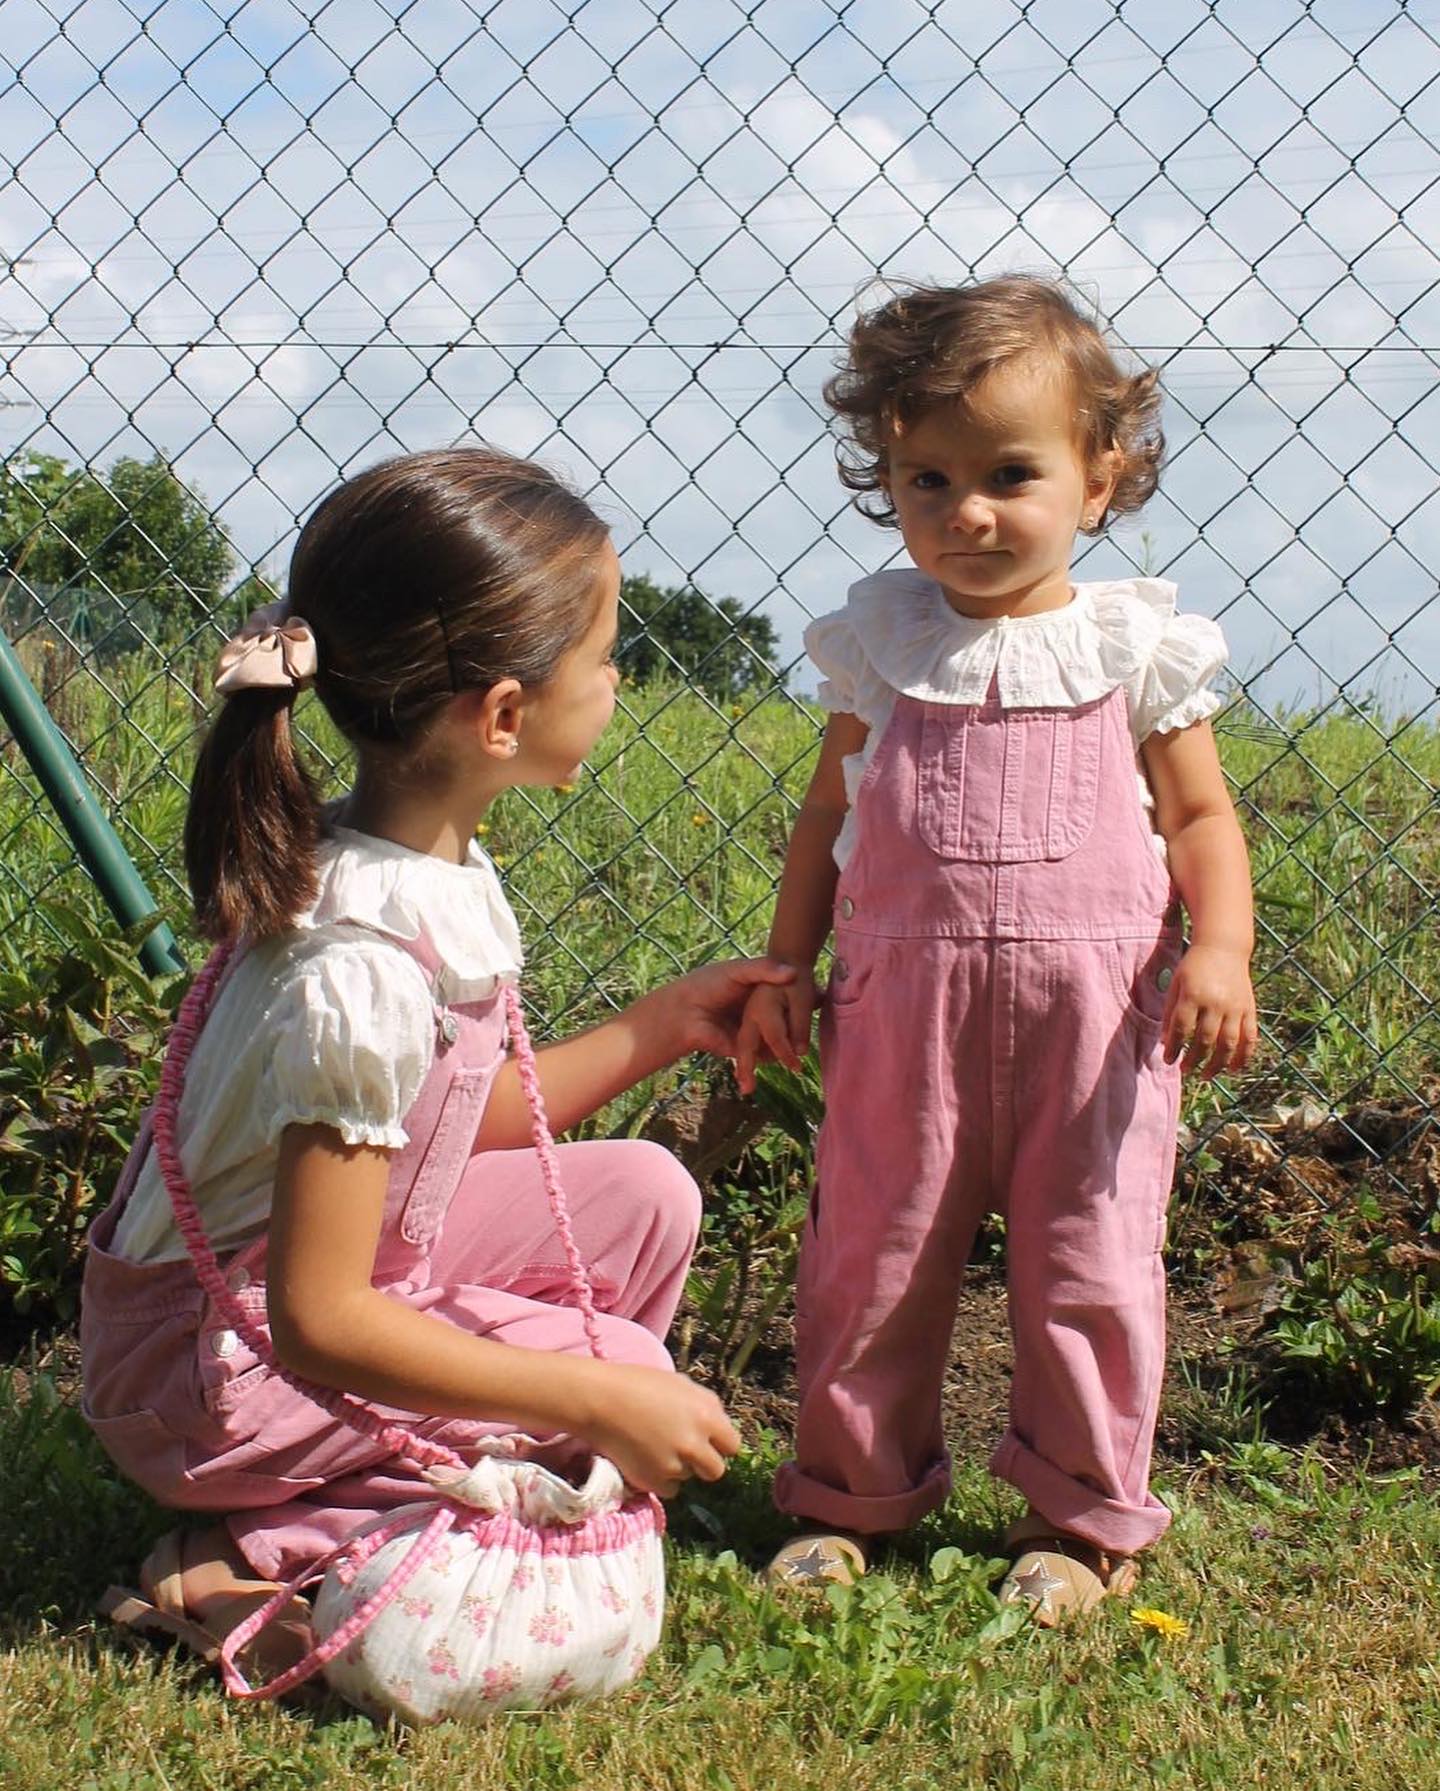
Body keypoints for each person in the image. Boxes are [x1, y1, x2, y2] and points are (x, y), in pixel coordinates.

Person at [81, 445, 792, 1669]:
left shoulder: (413, 865)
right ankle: (264, 1535)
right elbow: (320, 1320)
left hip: (279, 1304)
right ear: (505, 716)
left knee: (644, 1197)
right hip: (213, 1373)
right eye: (606, 655)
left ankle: (401, 1474)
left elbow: (450, 1129)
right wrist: (596, 1398)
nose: (618, 682)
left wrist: (665, 1020)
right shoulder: (354, 971)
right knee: (617, 1366)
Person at [736, 275, 1257, 1622]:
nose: (965, 511)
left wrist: (1223, 952)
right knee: (873, 1249)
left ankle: (1079, 1519)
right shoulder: (885, 646)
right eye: (927, 478)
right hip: (900, 1015)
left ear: (1101, 478)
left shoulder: (1132, 647)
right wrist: (787, 963)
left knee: (1090, 1261)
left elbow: (1201, 817)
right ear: (890, 484)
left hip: (1095, 1032)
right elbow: (825, 814)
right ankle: (851, 1493)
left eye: (1008, 473)